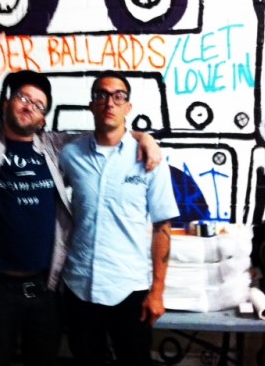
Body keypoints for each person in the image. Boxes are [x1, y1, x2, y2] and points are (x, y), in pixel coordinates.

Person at [0, 28, 162, 366]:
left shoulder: (56, 149)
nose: (30, 107)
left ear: (43, 119)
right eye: (23, 98)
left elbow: (109, 132)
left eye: (39, 105)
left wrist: (144, 137)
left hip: (46, 290)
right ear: (7, 102)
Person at [60, 70, 180, 366]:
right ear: (91, 105)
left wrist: (157, 292)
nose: (109, 102)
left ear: (128, 107)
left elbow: (162, 227)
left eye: (118, 96)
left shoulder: (150, 160)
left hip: (129, 290)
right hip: (78, 287)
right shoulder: (70, 154)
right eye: (101, 95)